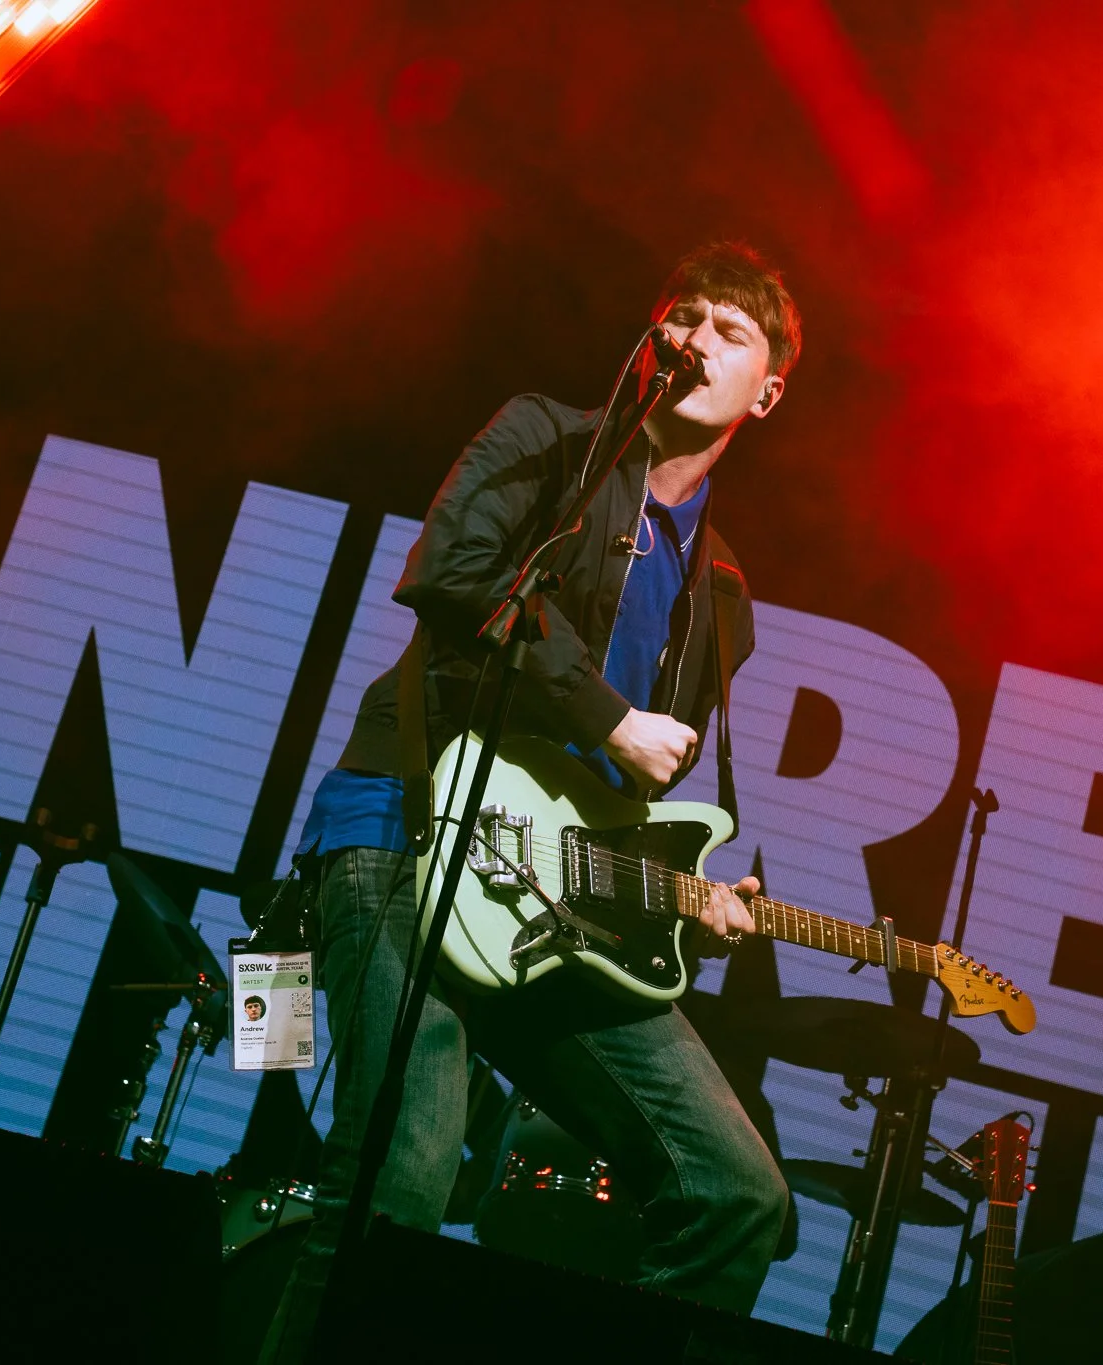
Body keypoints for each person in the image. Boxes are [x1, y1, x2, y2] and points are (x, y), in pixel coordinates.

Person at [261, 242, 799, 1360]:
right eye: (681, 315)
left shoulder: (725, 595)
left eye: (730, 331)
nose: (694, 337)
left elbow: (625, 797)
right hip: (403, 835)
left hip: (544, 908)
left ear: (769, 390)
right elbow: (449, 571)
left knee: (735, 1193)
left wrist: (682, 896)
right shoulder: (549, 438)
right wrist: (603, 713)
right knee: (397, 1184)